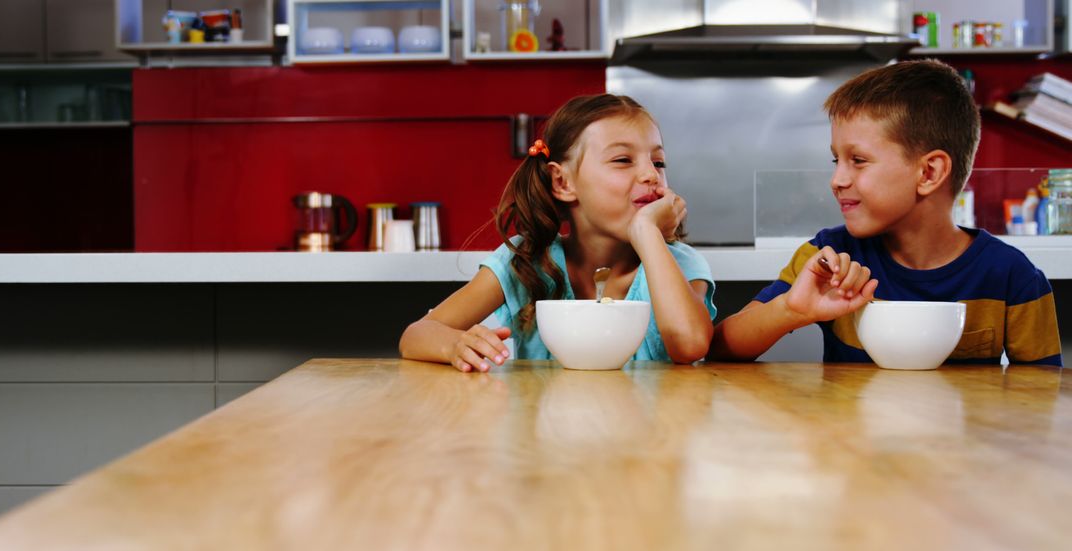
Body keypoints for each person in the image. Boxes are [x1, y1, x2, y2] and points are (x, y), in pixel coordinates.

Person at [709, 59, 1062, 366]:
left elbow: (1041, 393)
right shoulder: (826, 259)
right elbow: (721, 347)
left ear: (929, 173)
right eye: (836, 160)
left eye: (858, 161)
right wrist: (791, 310)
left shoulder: (1015, 278)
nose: (836, 179)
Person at [400, 94, 716, 372]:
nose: (651, 174)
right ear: (563, 182)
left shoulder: (678, 263)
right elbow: (416, 334)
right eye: (623, 160)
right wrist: (455, 344)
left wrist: (647, 232)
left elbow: (690, 345)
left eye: (658, 161)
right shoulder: (527, 260)